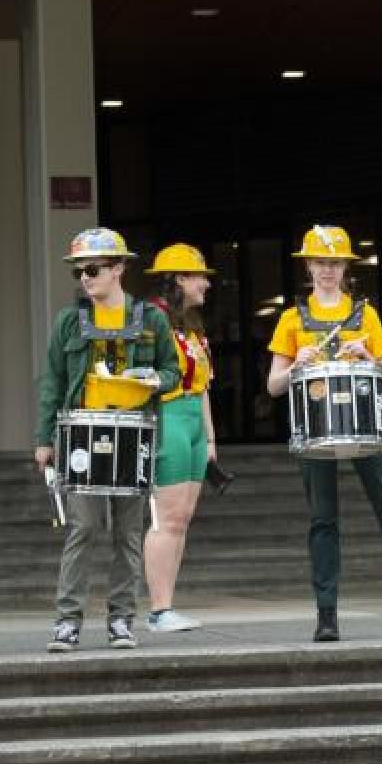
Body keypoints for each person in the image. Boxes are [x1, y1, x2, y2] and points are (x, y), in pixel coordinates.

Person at [266, 225, 382, 642]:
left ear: (346, 268)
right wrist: (295, 362)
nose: (328, 270)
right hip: (315, 431)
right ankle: (327, 616)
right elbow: (273, 386)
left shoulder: (365, 314)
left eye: (335, 263)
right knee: (323, 522)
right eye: (321, 262)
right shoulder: (291, 318)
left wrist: (370, 355)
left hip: (366, 425)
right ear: (309, 267)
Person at [34, 228, 182, 653]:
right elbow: (53, 381)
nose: (84, 277)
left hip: (134, 431)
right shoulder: (69, 320)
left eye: (93, 269)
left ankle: (121, 619)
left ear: (118, 269)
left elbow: (173, 371)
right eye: (79, 270)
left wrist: (155, 379)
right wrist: (44, 438)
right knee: (82, 526)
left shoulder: (150, 319)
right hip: (81, 430)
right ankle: (68, 621)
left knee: (129, 532)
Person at [143, 244, 218, 633]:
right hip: (167, 415)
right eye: (199, 276)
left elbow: (204, 386)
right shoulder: (152, 320)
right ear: (178, 280)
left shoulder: (192, 325)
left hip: (191, 419)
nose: (205, 283)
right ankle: (159, 609)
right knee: (168, 516)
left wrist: (209, 438)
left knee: (183, 517)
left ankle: (166, 605)